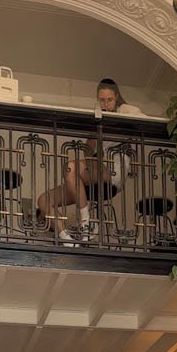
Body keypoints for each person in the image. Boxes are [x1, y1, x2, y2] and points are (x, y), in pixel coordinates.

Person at [36, 79, 141, 245]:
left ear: (117, 97)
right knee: (43, 200)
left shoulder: (124, 110)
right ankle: (66, 237)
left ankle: (86, 223)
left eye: (109, 99)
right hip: (89, 180)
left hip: (113, 171)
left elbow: (144, 121)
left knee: (70, 168)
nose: (106, 104)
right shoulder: (97, 116)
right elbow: (88, 150)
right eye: (102, 100)